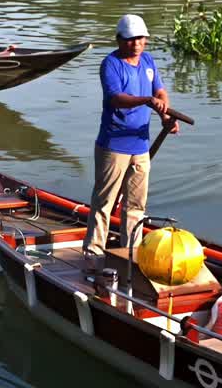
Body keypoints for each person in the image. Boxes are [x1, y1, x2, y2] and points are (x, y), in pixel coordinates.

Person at [81, 14, 175, 271]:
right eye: (131, 39)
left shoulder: (147, 61)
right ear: (120, 40)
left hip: (140, 145)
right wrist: (145, 100)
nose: (136, 44)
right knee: (104, 202)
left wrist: (166, 115)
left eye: (140, 39)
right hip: (113, 145)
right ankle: (93, 255)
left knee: (136, 205)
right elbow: (116, 98)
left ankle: (131, 254)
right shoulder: (110, 64)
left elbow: (160, 92)